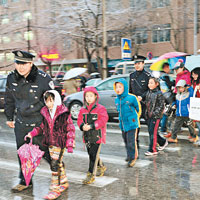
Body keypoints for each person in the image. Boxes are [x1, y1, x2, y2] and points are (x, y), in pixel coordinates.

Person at [4, 50, 54, 192]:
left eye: (24, 63)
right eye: (18, 63)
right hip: (21, 122)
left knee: (45, 152)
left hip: (39, 122)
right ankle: (26, 181)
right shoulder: (11, 78)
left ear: (31, 63)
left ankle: (59, 173)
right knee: (23, 154)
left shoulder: (43, 79)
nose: (20, 67)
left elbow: (53, 101)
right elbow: (9, 98)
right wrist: (9, 117)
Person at [26, 90, 75, 199]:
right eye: (47, 101)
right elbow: (42, 127)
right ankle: (63, 181)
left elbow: (70, 128)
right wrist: (32, 133)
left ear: (56, 100)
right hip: (50, 143)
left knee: (54, 164)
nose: (49, 104)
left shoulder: (64, 113)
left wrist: (70, 143)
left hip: (60, 142)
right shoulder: (46, 113)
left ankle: (55, 189)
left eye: (51, 101)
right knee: (58, 163)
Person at [77, 86, 108, 184]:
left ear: (95, 96)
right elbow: (79, 120)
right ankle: (101, 166)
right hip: (87, 136)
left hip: (97, 136)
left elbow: (103, 120)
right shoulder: (83, 109)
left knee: (93, 156)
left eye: (91, 96)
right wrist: (82, 126)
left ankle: (91, 175)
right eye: (87, 96)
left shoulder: (100, 108)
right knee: (91, 153)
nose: (89, 98)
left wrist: (92, 126)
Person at [114, 78, 141, 167]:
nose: (118, 89)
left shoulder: (132, 98)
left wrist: (134, 118)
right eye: (116, 87)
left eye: (120, 87)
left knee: (131, 141)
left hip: (132, 124)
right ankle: (129, 155)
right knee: (125, 141)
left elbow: (138, 109)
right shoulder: (117, 100)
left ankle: (133, 157)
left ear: (124, 87)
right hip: (123, 124)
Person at [129, 55, 151, 150]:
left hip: (145, 105)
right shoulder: (132, 76)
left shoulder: (147, 76)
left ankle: (158, 142)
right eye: (135, 64)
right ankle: (135, 145)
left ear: (143, 64)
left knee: (150, 126)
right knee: (135, 127)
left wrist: (142, 96)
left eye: (139, 63)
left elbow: (150, 90)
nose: (137, 65)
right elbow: (130, 90)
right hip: (135, 106)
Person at [144, 77, 168, 156]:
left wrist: (155, 113)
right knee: (152, 132)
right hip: (149, 116)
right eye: (149, 83)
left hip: (156, 117)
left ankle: (153, 149)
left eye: (151, 83)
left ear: (156, 84)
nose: (149, 85)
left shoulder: (159, 93)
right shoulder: (149, 92)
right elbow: (147, 103)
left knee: (152, 133)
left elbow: (161, 106)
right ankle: (163, 142)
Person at [159, 62, 175, 134]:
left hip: (162, 96)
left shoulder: (160, 76)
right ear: (165, 68)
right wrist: (174, 82)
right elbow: (169, 85)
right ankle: (163, 129)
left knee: (165, 112)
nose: (169, 69)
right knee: (168, 112)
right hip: (168, 96)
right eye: (168, 67)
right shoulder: (165, 76)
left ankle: (163, 128)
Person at [191, 67, 200, 145]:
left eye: (195, 74)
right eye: (193, 74)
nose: (193, 75)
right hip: (197, 103)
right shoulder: (194, 81)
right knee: (197, 121)